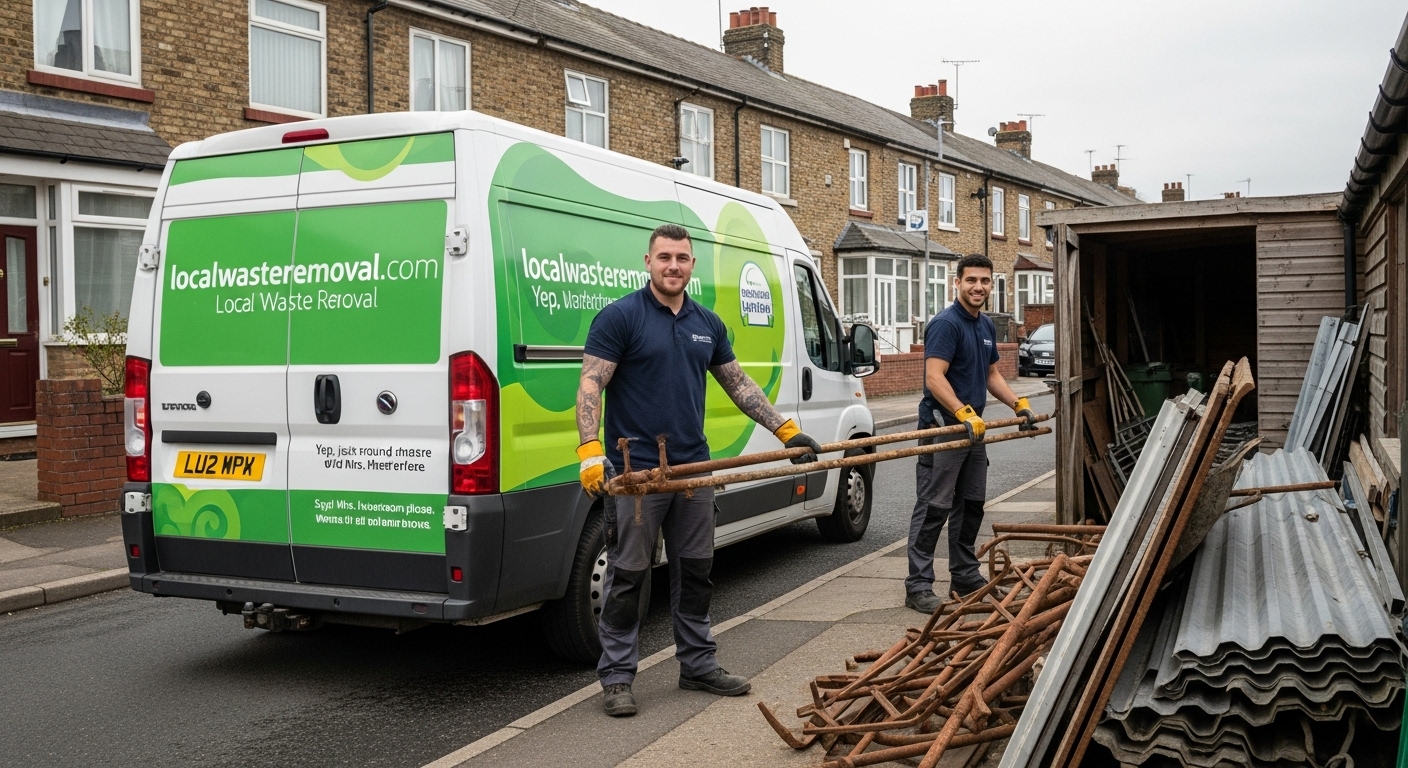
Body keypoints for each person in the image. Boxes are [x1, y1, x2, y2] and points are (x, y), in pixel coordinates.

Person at [575, 223, 823, 717]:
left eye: (682, 258)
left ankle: (697, 665)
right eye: (664, 257)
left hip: (693, 468)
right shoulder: (620, 317)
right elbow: (590, 385)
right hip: (637, 474)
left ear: (692, 265)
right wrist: (589, 450)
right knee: (627, 576)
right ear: (647, 261)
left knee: (696, 570)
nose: (673, 266)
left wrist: (786, 432)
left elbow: (739, 384)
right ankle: (618, 678)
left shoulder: (707, 323)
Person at [905, 254, 1036, 614]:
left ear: (991, 285)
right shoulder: (946, 324)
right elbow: (935, 376)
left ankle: (963, 573)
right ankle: (918, 586)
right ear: (957, 282)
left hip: (973, 427)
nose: (978, 287)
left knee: (972, 503)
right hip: (944, 426)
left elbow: (992, 374)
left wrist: (1018, 405)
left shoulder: (985, 326)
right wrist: (961, 412)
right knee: (934, 506)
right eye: (971, 280)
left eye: (985, 281)